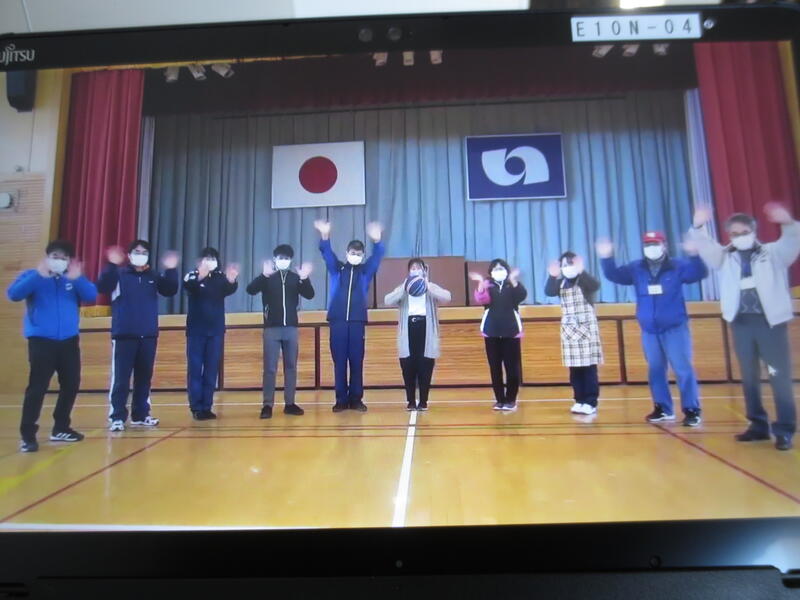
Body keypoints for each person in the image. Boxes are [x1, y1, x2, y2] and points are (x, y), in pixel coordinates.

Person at [689, 203, 799, 451]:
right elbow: (706, 247)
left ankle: (784, 430)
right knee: (749, 377)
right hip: (741, 323)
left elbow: (792, 242)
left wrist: (788, 223)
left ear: (753, 231)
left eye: (744, 233)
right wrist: (698, 225)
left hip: (770, 324)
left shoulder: (772, 253)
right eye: (734, 234)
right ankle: (758, 426)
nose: (739, 237)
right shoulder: (725, 256)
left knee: (778, 376)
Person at [597, 231, 707, 427]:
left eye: (655, 244)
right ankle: (663, 408)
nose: (651, 248)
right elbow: (615, 275)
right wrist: (606, 258)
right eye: (647, 244)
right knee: (655, 369)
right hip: (649, 329)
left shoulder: (677, 266)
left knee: (682, 368)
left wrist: (694, 255)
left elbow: (699, 273)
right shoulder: (636, 268)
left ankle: (691, 409)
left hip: (674, 328)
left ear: (664, 245)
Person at [7, 240, 97, 452]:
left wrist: (78, 278)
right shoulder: (33, 276)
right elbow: (14, 294)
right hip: (41, 341)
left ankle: (61, 427)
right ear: (47, 258)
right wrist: (39, 275)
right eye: (55, 257)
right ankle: (28, 435)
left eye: (64, 258)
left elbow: (91, 296)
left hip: (68, 341)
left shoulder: (72, 279)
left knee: (71, 384)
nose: (59, 261)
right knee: (37, 387)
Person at [96, 240, 179, 432]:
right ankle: (117, 416)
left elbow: (170, 290)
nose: (140, 255)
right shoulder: (119, 274)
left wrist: (171, 269)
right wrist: (111, 264)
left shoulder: (153, 276)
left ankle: (141, 414)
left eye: (144, 252)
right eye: (136, 251)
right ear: (129, 255)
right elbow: (102, 286)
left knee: (144, 377)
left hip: (148, 334)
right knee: (121, 379)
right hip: (124, 334)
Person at [315, 219, 385, 412]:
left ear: (362, 256)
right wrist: (325, 235)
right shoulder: (337, 269)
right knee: (339, 362)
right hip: (337, 321)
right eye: (353, 253)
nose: (355, 256)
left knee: (356, 361)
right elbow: (327, 254)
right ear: (347, 254)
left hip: (356, 321)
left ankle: (356, 399)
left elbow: (377, 258)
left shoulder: (365, 272)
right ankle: (341, 400)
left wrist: (377, 241)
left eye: (359, 254)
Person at [246, 244, 314, 419]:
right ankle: (267, 405)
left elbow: (310, 294)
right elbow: (250, 290)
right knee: (270, 368)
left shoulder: (295, 278)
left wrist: (305, 278)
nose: (284, 261)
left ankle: (289, 403)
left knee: (291, 367)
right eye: (280, 258)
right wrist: (263, 275)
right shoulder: (268, 277)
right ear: (275, 259)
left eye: (287, 258)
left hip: (291, 328)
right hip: (271, 328)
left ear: (290, 260)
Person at [384, 258, 452, 411]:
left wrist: (428, 285)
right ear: (409, 271)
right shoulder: (404, 287)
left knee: (425, 365)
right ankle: (410, 401)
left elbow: (447, 297)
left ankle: (423, 401)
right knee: (408, 366)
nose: (415, 270)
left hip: (425, 329)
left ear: (423, 270)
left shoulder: (429, 286)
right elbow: (387, 300)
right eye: (412, 268)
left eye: (418, 268)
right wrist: (404, 288)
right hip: (408, 329)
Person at [183, 247, 239, 421]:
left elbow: (229, 288)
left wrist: (232, 280)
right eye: (207, 258)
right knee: (195, 370)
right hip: (196, 331)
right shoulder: (191, 275)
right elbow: (188, 286)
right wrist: (200, 276)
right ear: (200, 261)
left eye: (213, 258)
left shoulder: (220, 277)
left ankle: (207, 406)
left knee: (211, 370)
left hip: (215, 331)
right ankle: (196, 407)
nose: (210, 261)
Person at [545, 252, 603, 416]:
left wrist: (582, 271)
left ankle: (590, 402)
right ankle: (579, 400)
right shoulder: (561, 284)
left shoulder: (584, 281)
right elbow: (549, 291)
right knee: (575, 369)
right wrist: (552, 276)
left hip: (587, 329)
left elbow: (595, 285)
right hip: (570, 331)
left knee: (589, 368)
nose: (567, 268)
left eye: (570, 264)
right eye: (564, 265)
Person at [469, 259, 527, 412]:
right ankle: (500, 400)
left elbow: (521, 296)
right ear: (491, 272)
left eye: (501, 268)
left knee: (512, 368)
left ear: (507, 271)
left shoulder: (511, 284)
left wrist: (513, 280)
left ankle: (511, 400)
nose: (498, 271)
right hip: (491, 331)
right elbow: (482, 299)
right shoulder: (488, 284)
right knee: (495, 368)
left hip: (511, 331)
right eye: (495, 269)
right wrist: (481, 284)